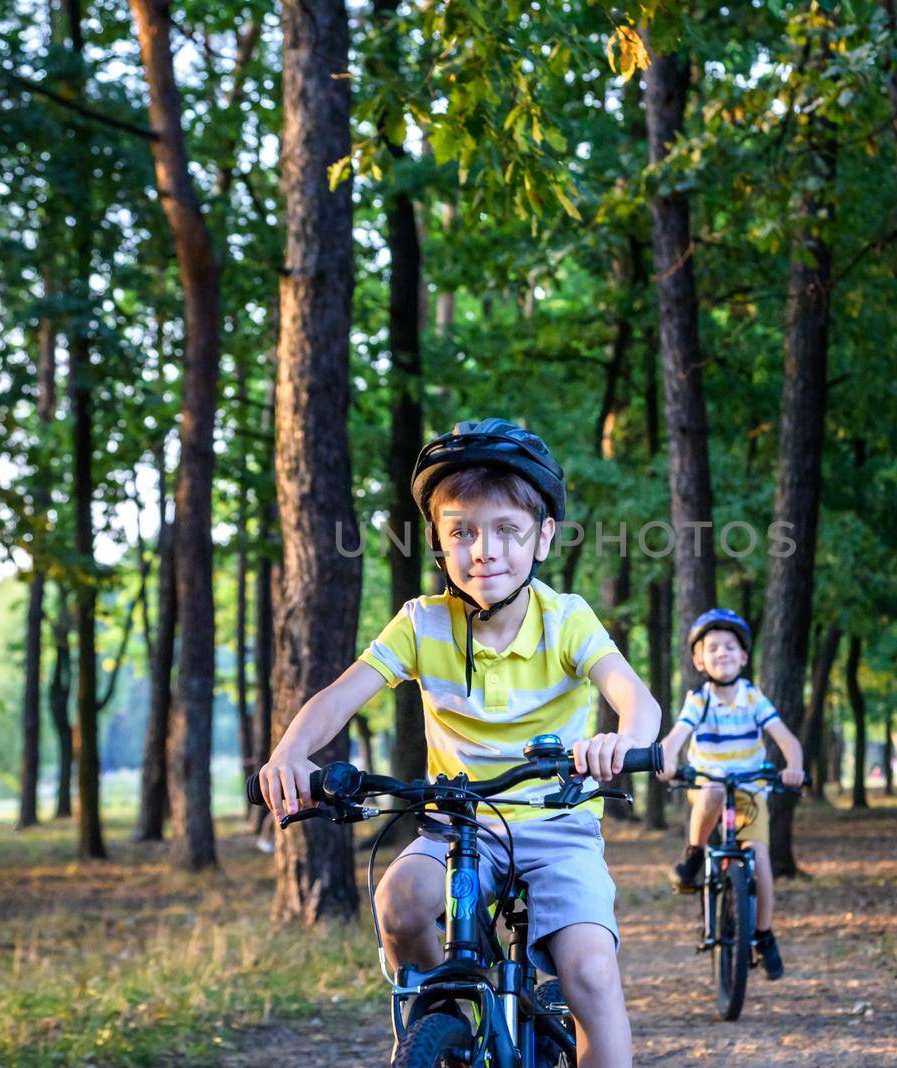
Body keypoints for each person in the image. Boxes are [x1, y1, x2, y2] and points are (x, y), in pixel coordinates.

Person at [257, 418, 661, 1068]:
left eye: (507, 530)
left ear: (544, 537)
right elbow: (337, 696)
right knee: (400, 901)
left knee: (589, 972)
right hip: (459, 826)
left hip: (558, 826)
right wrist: (290, 753)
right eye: (461, 531)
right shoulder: (422, 623)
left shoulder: (568, 619)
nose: (485, 550)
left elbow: (635, 698)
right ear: (440, 542)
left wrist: (625, 742)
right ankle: (438, 1019)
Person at [655, 609, 805, 981]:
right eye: (713, 648)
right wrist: (666, 759)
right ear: (698, 659)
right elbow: (676, 737)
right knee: (713, 791)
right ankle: (694, 855)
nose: (722, 653)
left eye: (730, 647)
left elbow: (787, 740)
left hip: (749, 790)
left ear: (744, 656)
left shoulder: (754, 699)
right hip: (709, 786)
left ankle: (765, 933)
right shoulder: (699, 701)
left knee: (761, 858)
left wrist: (794, 768)